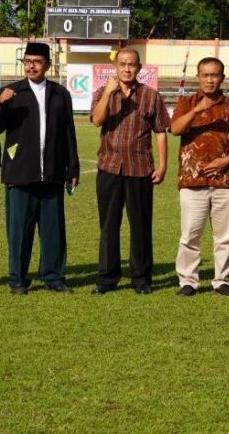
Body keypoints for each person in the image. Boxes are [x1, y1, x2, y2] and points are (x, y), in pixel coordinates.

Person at [0, 42, 79, 294]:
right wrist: (0, 104)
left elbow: (68, 134)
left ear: (48, 65)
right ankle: (17, 278)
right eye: (27, 61)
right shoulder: (11, 92)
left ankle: (54, 276)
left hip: (51, 173)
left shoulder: (60, 94)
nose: (31, 66)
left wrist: (72, 168)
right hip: (20, 173)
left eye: (37, 61)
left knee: (53, 230)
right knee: (19, 230)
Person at [89, 47, 170, 295]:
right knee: (109, 225)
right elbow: (97, 120)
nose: (126, 68)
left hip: (140, 168)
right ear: (115, 67)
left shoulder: (150, 96)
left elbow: (160, 131)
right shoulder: (103, 93)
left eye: (131, 65)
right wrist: (109, 94)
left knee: (141, 225)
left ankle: (141, 277)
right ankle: (107, 277)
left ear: (139, 68)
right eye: (122, 64)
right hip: (110, 168)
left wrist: (163, 164)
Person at [170, 57, 229, 297]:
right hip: (192, 180)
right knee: (189, 235)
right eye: (205, 75)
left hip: (225, 181)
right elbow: (175, 129)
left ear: (222, 78)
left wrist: (227, 160)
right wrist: (197, 110)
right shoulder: (187, 102)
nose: (209, 80)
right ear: (198, 77)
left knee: (225, 236)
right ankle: (188, 280)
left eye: (214, 75)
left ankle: (222, 280)